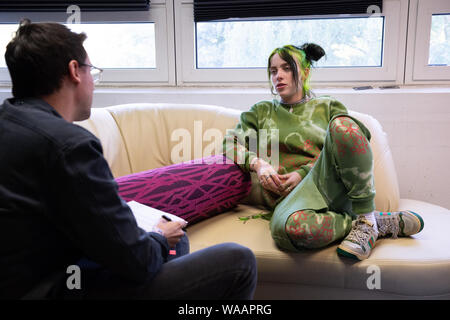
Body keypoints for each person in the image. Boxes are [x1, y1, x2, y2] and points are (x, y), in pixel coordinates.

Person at [0, 20, 257, 300]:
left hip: (27, 274)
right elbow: (138, 262)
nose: (93, 83)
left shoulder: (8, 122)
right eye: (91, 72)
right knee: (237, 261)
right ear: (74, 71)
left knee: (176, 246)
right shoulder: (71, 146)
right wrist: (158, 236)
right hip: (59, 287)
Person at [223, 44, 424, 260]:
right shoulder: (260, 112)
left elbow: (345, 148)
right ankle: (372, 222)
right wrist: (258, 164)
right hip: (291, 203)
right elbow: (229, 144)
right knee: (290, 231)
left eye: (287, 68)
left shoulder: (327, 106)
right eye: (273, 71)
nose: (278, 76)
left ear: (306, 72)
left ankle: (366, 216)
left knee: (343, 125)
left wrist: (303, 173)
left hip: (328, 187)